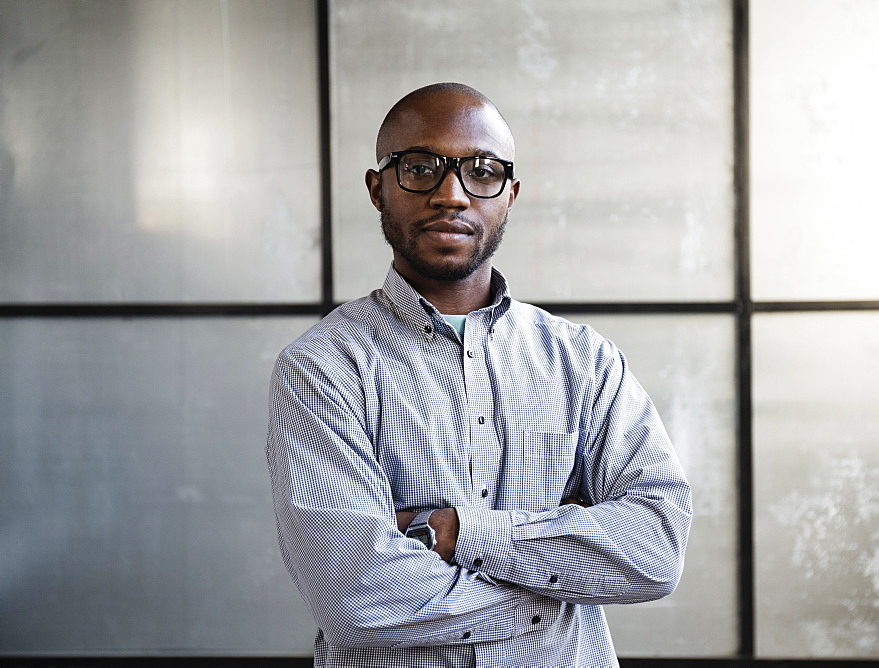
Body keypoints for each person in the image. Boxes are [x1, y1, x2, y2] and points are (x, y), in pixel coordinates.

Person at [266, 82, 692, 668]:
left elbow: (655, 546)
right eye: (419, 167)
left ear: (510, 194)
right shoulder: (323, 368)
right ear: (377, 188)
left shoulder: (582, 360)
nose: (452, 195)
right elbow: (355, 595)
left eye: (483, 171)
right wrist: (552, 589)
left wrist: (452, 533)